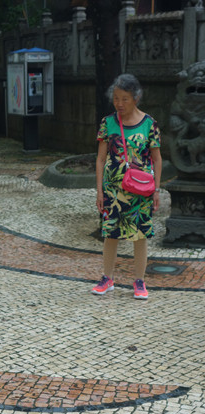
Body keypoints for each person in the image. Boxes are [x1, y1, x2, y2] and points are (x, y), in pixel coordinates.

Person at [92, 73, 162, 300]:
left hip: (141, 189)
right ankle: (107, 278)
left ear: (136, 98)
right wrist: (100, 191)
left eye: (124, 99)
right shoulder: (108, 123)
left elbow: (157, 159)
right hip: (114, 189)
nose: (119, 104)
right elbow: (101, 159)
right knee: (110, 232)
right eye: (115, 98)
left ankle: (140, 281)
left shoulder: (150, 124)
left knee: (140, 235)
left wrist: (157, 190)